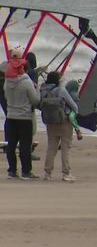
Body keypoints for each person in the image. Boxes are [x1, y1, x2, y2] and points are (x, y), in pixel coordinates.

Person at [4, 47, 40, 179]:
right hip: (24, 117)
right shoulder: (26, 81)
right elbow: (35, 100)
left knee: (11, 145)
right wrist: (37, 89)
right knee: (25, 146)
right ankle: (26, 171)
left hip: (10, 116)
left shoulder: (7, 80)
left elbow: (7, 97)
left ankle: (12, 171)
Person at [40, 71, 79, 181]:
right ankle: (66, 173)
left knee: (51, 147)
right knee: (66, 147)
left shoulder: (43, 90)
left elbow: (39, 104)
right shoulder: (61, 90)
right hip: (63, 121)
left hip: (49, 121)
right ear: (57, 80)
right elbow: (74, 106)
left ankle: (47, 173)